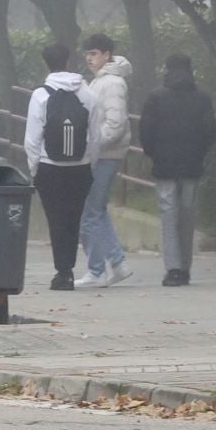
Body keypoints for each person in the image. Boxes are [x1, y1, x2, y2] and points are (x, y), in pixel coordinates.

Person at [136, 52, 216, 287]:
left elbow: (146, 132)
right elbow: (210, 131)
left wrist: (154, 154)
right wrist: (199, 153)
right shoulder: (202, 98)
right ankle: (186, 266)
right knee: (187, 216)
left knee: (168, 216)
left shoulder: (156, 97)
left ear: (167, 69)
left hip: (165, 165)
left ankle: (173, 269)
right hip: (192, 164)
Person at [25, 43, 97, 292]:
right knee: (73, 218)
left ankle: (62, 272)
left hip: (49, 166)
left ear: (46, 62)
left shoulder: (40, 95)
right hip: (81, 167)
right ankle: (69, 267)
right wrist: (89, 161)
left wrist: (34, 169)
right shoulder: (86, 92)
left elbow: (32, 138)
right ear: (68, 60)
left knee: (55, 219)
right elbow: (95, 134)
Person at [75, 33, 134, 288]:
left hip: (105, 154)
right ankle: (117, 263)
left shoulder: (111, 84)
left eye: (94, 53)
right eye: (87, 54)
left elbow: (115, 122)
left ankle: (96, 270)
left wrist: (95, 146)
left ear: (107, 54)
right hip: (103, 153)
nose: (89, 58)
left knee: (90, 213)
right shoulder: (102, 81)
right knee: (96, 211)